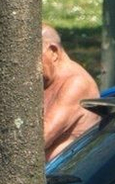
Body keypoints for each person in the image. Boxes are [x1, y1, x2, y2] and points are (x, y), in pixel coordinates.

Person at [42, 25, 100, 160]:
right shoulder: (45, 80)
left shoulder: (76, 83)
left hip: (69, 174)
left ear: (53, 52)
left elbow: (41, 138)